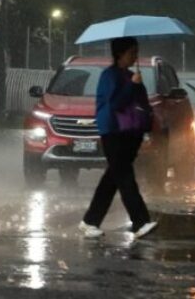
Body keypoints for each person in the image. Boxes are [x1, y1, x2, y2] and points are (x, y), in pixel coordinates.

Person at [79, 36, 159, 239]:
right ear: (120, 54)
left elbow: (141, 104)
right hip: (114, 131)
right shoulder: (109, 76)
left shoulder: (131, 76)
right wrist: (131, 85)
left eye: (136, 52)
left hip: (132, 133)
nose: (135, 56)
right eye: (132, 52)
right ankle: (140, 221)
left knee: (113, 178)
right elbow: (115, 103)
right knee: (124, 176)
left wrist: (138, 88)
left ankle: (90, 221)